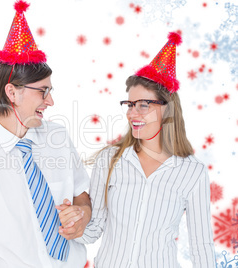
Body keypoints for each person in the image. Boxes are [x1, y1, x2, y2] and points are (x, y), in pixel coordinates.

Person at [0, 1, 91, 267]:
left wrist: (82, 215)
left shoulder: (58, 138)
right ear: (12, 92)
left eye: (50, 91)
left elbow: (82, 194)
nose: (50, 102)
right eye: (43, 92)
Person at [77, 32, 216, 267]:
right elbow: (93, 229)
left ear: (167, 109)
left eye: (143, 105)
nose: (132, 113)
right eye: (130, 105)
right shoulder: (110, 160)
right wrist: (71, 221)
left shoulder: (193, 172)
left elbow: (201, 246)